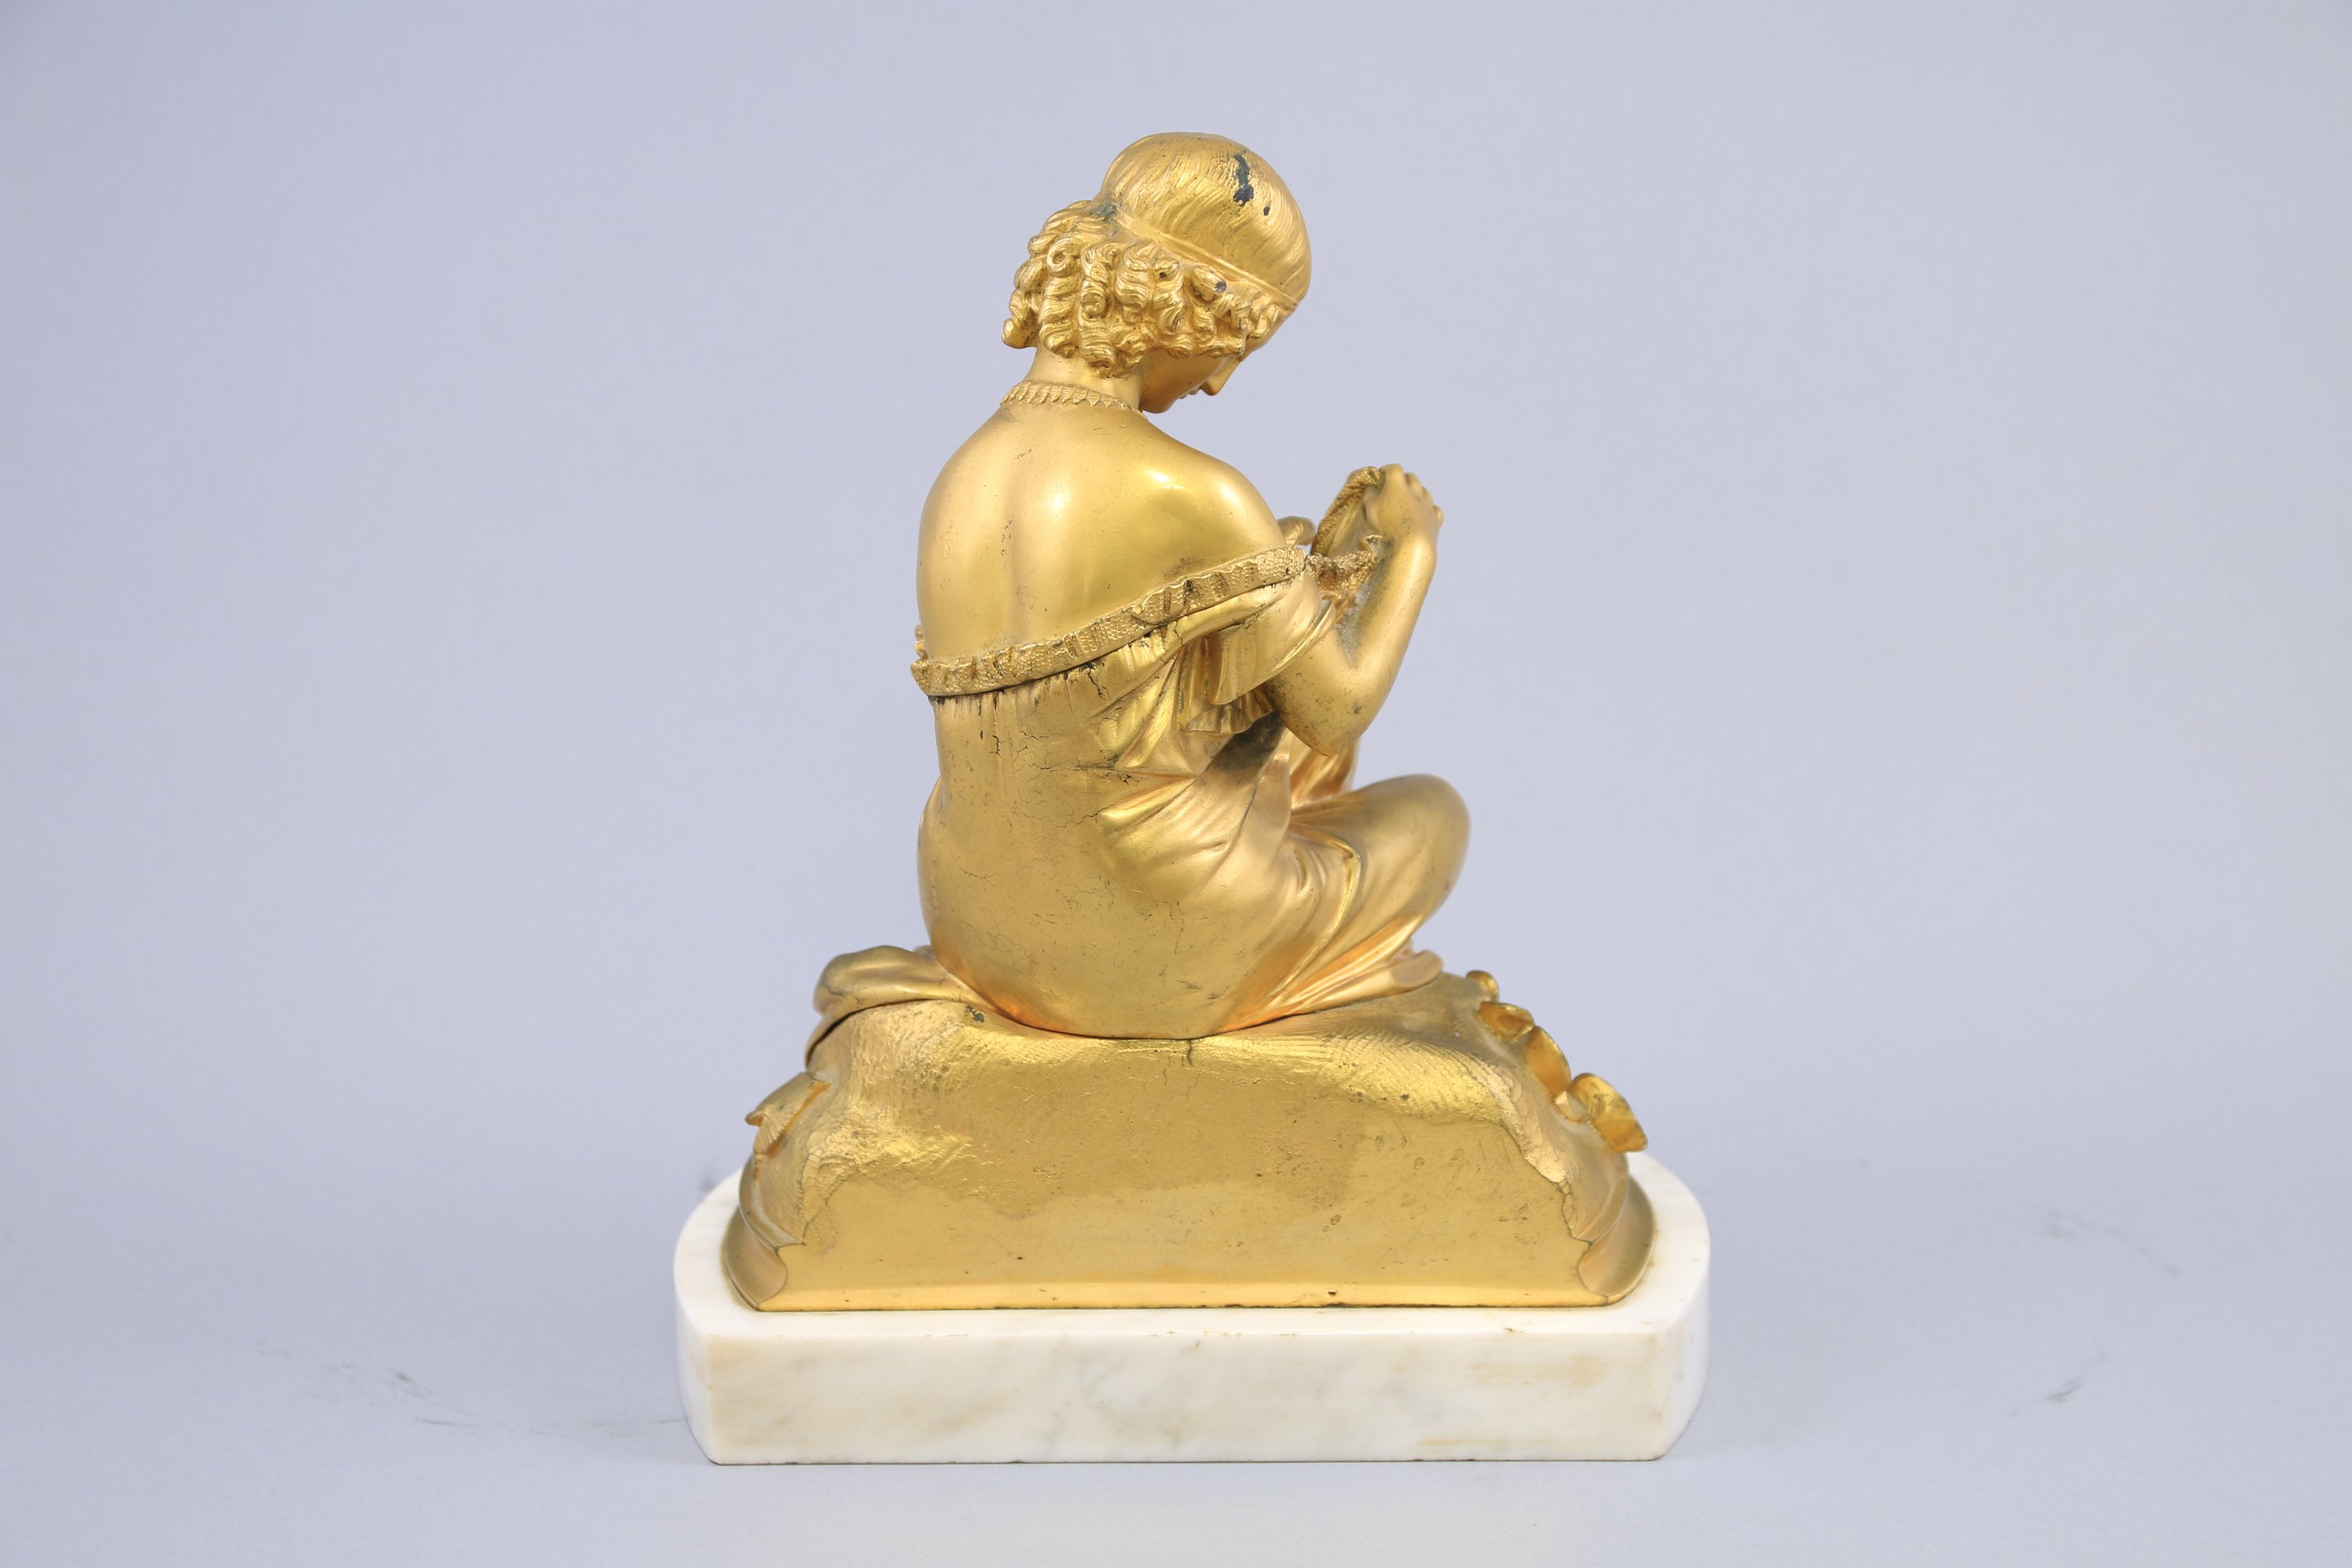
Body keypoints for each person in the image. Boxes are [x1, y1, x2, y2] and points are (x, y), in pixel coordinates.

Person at [901, 132, 1469, 1039]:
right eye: (1233, 340)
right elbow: (1339, 710)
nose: (1221, 381)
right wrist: (1411, 552)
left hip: (969, 921)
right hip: (1150, 935)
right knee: (1432, 814)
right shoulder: (1195, 490)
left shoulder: (959, 476)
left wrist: (1290, 566)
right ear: (1179, 304)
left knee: (1285, 765)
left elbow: (1087, 699)